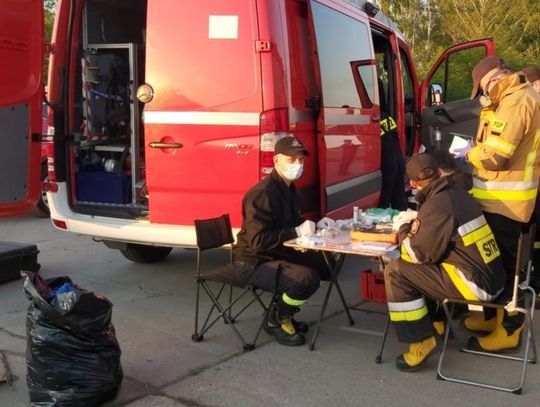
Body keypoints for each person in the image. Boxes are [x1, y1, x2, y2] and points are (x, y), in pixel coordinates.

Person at [383, 153, 505, 372]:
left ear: (413, 184)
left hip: (475, 285)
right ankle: (437, 324)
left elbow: (416, 254)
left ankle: (422, 340)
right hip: (494, 279)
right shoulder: (456, 193)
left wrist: (402, 229)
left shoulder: (437, 205)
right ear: (439, 171)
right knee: (427, 266)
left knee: (396, 270)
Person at [454, 56, 540, 352]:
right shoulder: (506, 100)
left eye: (482, 90)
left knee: (506, 268)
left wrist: (469, 153)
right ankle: (492, 317)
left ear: (493, 79)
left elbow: (496, 156)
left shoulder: (517, 102)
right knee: (492, 264)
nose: (482, 96)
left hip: (508, 204)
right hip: (495, 201)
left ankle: (510, 329)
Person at [233, 136, 328, 347]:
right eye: (291, 160)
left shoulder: (289, 189)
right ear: (276, 160)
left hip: (276, 253)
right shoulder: (262, 194)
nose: (297, 165)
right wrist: (295, 231)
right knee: (306, 278)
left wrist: (316, 225)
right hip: (252, 262)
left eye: (301, 160)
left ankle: (286, 309)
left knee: (326, 264)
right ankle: (277, 319)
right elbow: (258, 241)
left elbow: (291, 223)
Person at [378, 78, 408, 210]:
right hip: (398, 161)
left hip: (388, 163)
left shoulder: (373, 120)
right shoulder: (386, 117)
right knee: (399, 198)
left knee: (384, 201)